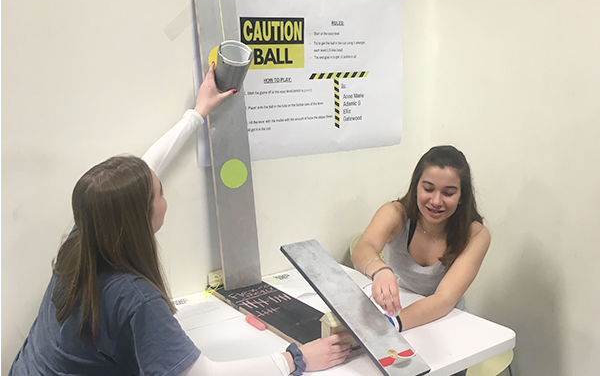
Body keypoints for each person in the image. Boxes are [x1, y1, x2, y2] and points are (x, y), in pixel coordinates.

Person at [9, 63, 352, 376]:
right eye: (158, 194)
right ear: (139, 217)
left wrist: (197, 112)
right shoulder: (134, 298)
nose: (165, 199)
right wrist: (296, 359)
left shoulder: (85, 235)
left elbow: (147, 166)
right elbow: (200, 375)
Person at [351, 145, 491, 334]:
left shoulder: (476, 235)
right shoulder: (395, 213)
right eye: (428, 188)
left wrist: (393, 324)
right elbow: (363, 247)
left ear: (461, 197)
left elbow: (444, 299)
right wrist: (380, 271)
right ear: (416, 187)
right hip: (397, 313)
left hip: (444, 323)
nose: (436, 201)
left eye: (448, 193)